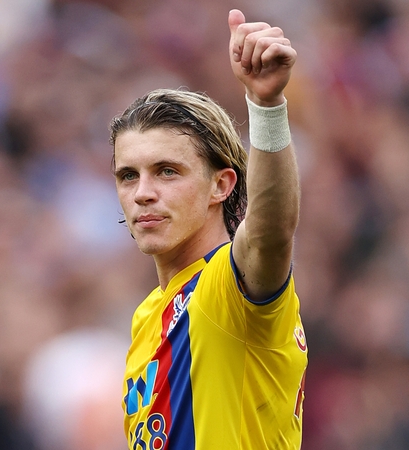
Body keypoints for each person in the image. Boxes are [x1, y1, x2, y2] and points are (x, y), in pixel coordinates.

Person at [110, 9, 307, 450]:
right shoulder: (148, 316)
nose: (143, 193)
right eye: (128, 176)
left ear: (221, 185)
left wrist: (267, 106)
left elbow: (271, 232)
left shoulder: (227, 289)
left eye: (167, 171)